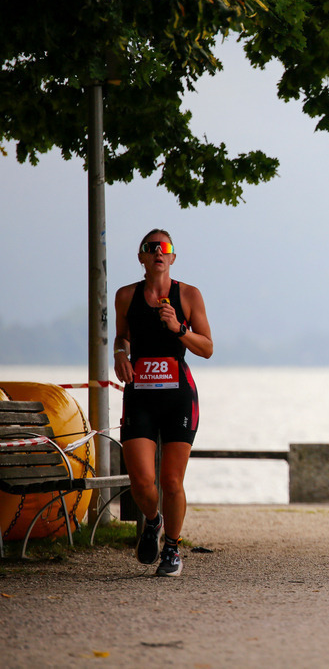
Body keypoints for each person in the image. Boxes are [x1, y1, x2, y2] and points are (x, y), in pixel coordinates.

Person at [113, 229, 213, 577]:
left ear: (172, 258)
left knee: (171, 481)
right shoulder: (126, 295)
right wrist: (120, 354)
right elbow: (122, 336)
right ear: (141, 257)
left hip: (178, 399)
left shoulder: (187, 295)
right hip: (140, 396)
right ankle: (153, 523)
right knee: (141, 482)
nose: (158, 252)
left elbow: (207, 348)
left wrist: (179, 328)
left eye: (165, 248)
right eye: (151, 247)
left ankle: (172, 548)